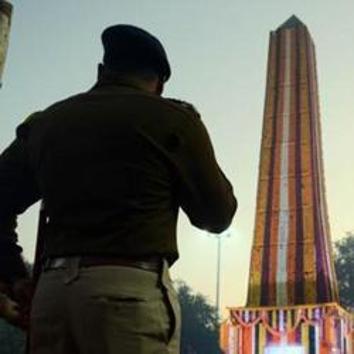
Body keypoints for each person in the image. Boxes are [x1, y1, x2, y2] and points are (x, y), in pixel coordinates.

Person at [0, 24, 237, 354]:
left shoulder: (45, 123)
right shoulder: (173, 120)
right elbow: (216, 216)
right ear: (160, 83)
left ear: (102, 71)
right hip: (128, 294)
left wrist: (14, 275)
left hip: (51, 296)